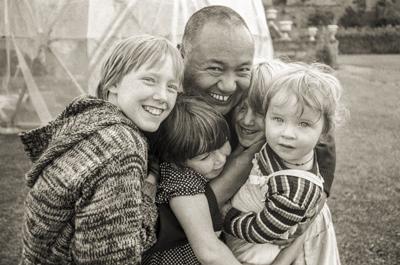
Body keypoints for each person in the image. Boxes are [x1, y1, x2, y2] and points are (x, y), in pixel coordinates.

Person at [19, 34, 184, 265]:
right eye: (149, 80)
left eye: (172, 87)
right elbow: (109, 256)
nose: (162, 96)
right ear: (113, 82)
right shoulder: (121, 147)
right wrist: (147, 196)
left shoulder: (89, 122)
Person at [224, 62, 345, 265]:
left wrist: (225, 216)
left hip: (285, 246)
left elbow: (325, 138)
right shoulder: (247, 145)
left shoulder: (294, 178)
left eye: (260, 113)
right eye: (242, 108)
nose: (247, 120)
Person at [143, 96, 242, 265]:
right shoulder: (183, 180)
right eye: (204, 157)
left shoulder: (184, 170)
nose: (219, 159)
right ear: (176, 159)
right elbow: (209, 252)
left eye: (223, 144)